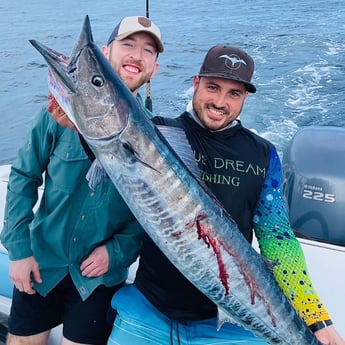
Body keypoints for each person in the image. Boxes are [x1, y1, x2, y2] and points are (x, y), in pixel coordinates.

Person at [49, 45, 345, 344]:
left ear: (246, 97)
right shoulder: (156, 131)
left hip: (232, 325)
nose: (219, 101)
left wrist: (317, 319)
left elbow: (276, 238)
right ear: (195, 83)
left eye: (234, 93)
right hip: (149, 311)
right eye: (212, 87)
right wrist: (77, 124)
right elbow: (108, 136)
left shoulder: (263, 155)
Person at [0, 15, 163, 345]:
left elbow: (150, 215)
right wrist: (18, 249)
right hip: (42, 263)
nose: (137, 55)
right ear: (104, 53)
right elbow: (23, 176)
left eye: (149, 51)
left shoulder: (155, 140)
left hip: (98, 278)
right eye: (128, 44)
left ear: (154, 69)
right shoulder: (58, 111)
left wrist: (115, 253)